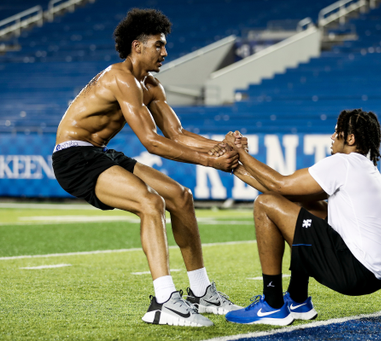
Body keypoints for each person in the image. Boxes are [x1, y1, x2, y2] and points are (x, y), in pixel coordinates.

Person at [52, 8, 245, 327]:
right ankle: (164, 301)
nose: (165, 52)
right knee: (150, 202)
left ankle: (201, 293)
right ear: (136, 46)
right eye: (159, 45)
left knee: (180, 197)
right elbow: (152, 142)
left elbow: (178, 134)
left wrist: (220, 146)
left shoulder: (151, 85)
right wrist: (211, 160)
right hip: (74, 157)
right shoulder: (119, 77)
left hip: (101, 153)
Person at [224, 109, 381, 325]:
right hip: (374, 275)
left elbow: (278, 184)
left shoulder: (343, 163)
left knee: (264, 204)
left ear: (351, 138)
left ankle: (271, 304)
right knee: (303, 203)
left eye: (337, 132)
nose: (332, 137)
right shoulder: (363, 167)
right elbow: (285, 193)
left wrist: (239, 153)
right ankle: (298, 300)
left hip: (358, 272)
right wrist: (236, 167)